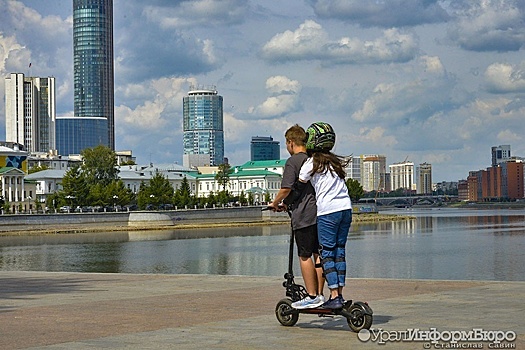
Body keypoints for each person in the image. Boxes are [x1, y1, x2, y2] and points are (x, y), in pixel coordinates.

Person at [268, 124, 325, 309]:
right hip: (320, 213)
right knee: (319, 254)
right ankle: (320, 294)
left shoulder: (292, 162)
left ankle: (311, 295)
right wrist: (287, 203)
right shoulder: (313, 159)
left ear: (291, 142)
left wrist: (275, 203)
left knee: (304, 254)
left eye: (286, 144)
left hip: (303, 215)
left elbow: (286, 188)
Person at [298, 122, 352, 309]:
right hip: (346, 209)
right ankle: (340, 294)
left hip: (328, 212)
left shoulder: (311, 163)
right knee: (340, 251)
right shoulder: (335, 162)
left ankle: (334, 295)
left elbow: (301, 181)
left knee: (326, 253)